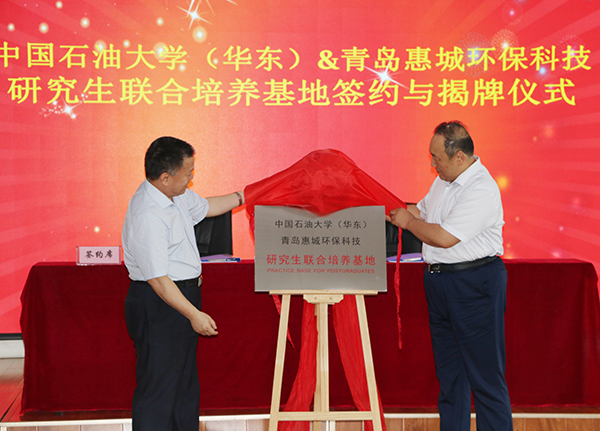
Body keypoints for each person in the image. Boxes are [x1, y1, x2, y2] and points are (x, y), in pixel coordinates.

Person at [387, 121, 512, 431]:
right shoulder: (444, 180)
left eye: (437, 158)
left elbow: (444, 237)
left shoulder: (481, 188)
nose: (433, 164)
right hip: (440, 283)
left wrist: (407, 222)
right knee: (450, 377)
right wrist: (386, 208)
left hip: (474, 283)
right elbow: (420, 212)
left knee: (485, 378)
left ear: (459, 156)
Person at [122, 136, 245, 431]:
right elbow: (158, 279)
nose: (191, 179)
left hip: (180, 297)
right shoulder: (148, 214)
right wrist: (194, 315)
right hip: (160, 304)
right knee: (159, 388)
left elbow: (207, 207)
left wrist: (246, 196)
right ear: (165, 176)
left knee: (183, 385)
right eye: (188, 173)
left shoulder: (174, 195)